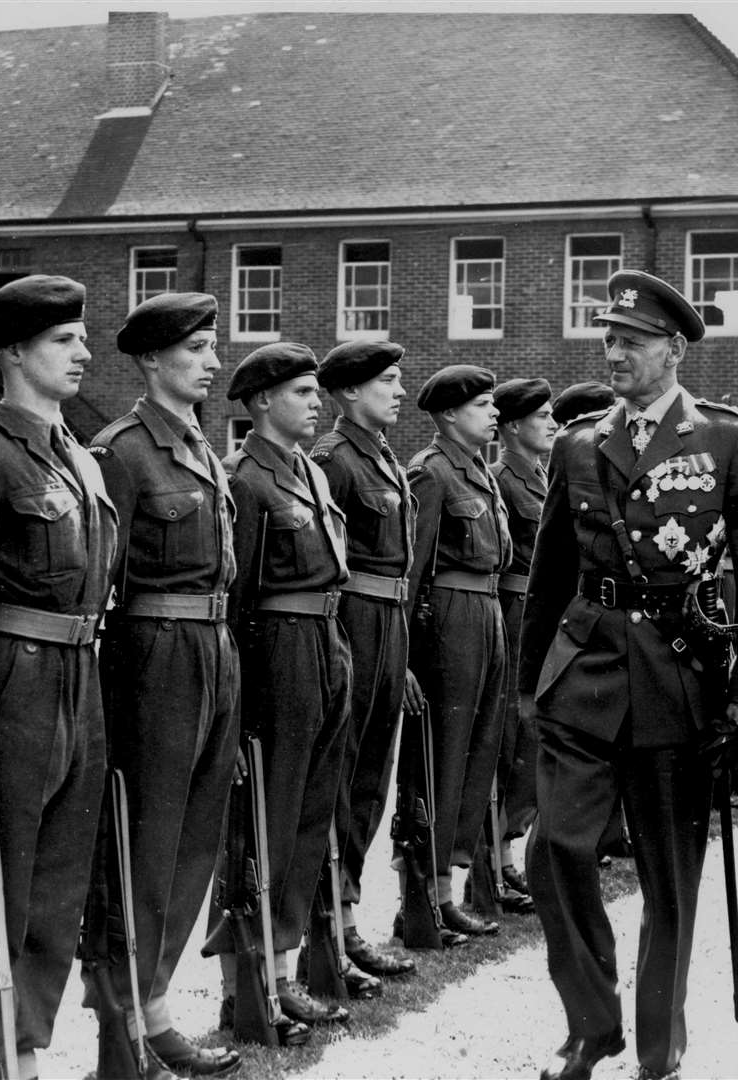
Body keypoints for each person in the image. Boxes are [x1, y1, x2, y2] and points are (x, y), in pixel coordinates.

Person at [520, 269, 738, 1080]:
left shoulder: (730, 441)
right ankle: (592, 1024)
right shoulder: (578, 443)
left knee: (670, 877)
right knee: (554, 848)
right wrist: (530, 684)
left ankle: (658, 1045)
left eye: (632, 341)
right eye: (609, 339)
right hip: (585, 666)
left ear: (674, 350)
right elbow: (549, 571)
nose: (615, 352)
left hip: (677, 674)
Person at [0, 275, 119, 1080]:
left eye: (81, 337)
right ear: (13, 352)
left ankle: (27, 1048)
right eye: (63, 340)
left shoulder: (77, 455)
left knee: (57, 883)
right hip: (13, 681)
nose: (82, 352)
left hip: (82, 679)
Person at [84, 292, 243, 1075]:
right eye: (197, 349)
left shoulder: (202, 449)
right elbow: (97, 582)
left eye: (213, 348)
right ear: (151, 360)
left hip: (214, 650)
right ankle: (127, 1023)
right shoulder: (122, 450)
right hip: (155, 656)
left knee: (193, 844)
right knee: (145, 843)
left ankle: (155, 1004)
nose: (213, 362)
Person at [218, 342, 353, 1028]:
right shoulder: (244, 478)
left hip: (325, 647)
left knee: (308, 815)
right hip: (276, 655)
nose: (316, 403)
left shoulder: (309, 473)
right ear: (263, 401)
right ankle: (245, 984)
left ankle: (281, 969)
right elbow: (235, 602)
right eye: (302, 392)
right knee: (265, 820)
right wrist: (236, 709)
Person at [310, 339, 421, 980]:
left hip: (388, 627)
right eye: (388, 381)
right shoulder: (334, 460)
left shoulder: (380, 457)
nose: (400, 391)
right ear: (350, 392)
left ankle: (347, 918)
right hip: (353, 626)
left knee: (371, 781)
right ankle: (329, 930)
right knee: (343, 778)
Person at [399, 364, 513, 940]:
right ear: (448, 413)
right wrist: (407, 660)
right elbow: (412, 573)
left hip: (486, 615)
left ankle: (447, 886)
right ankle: (421, 898)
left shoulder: (478, 474)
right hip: (447, 620)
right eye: (482, 405)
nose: (494, 414)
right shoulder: (432, 474)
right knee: (440, 758)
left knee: (476, 753)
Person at [485, 377, 557, 905]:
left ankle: (510, 852)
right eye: (541, 416)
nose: (552, 425)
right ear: (512, 426)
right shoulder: (504, 479)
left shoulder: (541, 478)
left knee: (530, 744)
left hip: (541, 615)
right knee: (509, 740)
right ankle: (498, 858)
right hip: (513, 614)